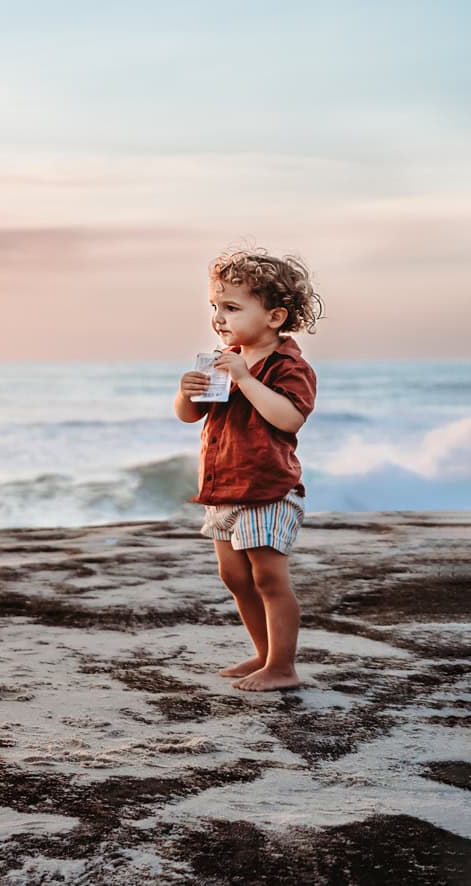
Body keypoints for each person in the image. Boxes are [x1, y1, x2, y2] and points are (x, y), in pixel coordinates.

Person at [175, 247, 323, 692]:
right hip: (224, 489)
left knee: (268, 576)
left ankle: (283, 665)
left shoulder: (288, 366)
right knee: (234, 576)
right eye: (215, 308)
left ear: (275, 317)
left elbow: (289, 418)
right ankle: (263, 653)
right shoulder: (227, 359)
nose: (218, 318)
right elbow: (190, 416)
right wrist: (186, 393)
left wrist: (245, 378)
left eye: (232, 308)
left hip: (268, 489)